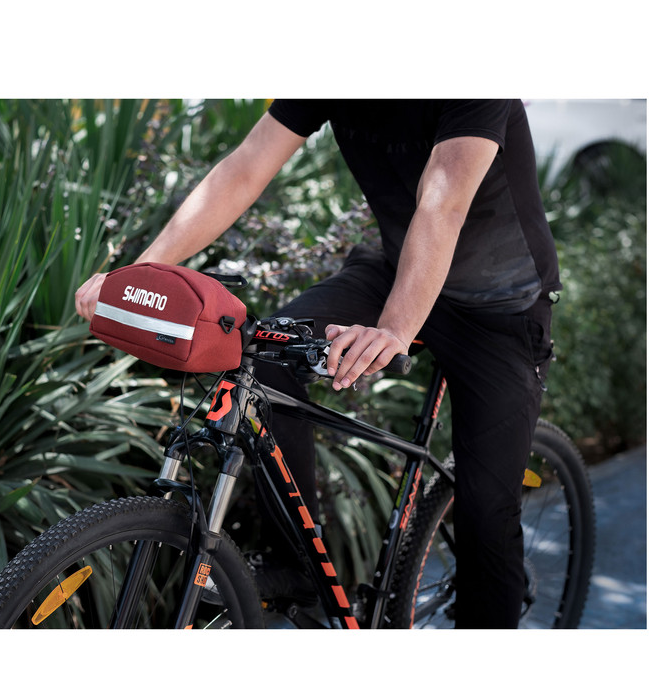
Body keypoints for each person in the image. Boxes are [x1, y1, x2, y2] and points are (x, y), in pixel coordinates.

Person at [75, 100, 560, 629]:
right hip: (399, 272)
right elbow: (244, 169)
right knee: (262, 354)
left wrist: (394, 330)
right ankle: (298, 566)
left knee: (487, 518)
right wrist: (140, 276)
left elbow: (442, 201)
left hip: (500, 309)